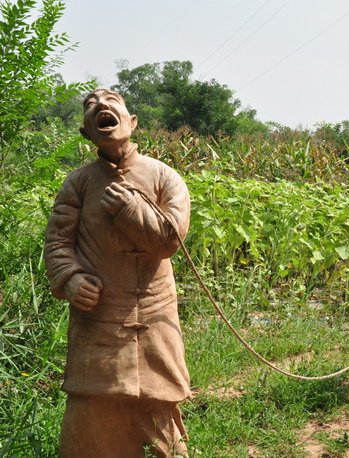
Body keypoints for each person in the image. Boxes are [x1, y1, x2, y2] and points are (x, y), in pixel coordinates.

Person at [44, 89, 191, 457]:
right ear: (86, 133)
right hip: (97, 321)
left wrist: (130, 210)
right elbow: (57, 242)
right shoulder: (78, 183)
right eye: (91, 105)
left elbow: (170, 241)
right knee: (90, 421)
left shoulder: (164, 176)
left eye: (111, 100)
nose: (101, 105)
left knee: (159, 412)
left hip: (155, 315)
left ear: (132, 122)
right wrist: (70, 279)